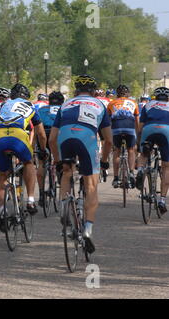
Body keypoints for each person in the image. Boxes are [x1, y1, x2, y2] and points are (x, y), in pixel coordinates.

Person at [49, 75, 113, 254]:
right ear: (93, 91)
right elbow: (108, 140)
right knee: (91, 185)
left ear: (76, 91)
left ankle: (63, 207)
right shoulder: (100, 104)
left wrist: (58, 161)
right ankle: (87, 230)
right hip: (87, 138)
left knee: (67, 172)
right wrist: (105, 161)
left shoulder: (66, 104)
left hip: (65, 137)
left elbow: (52, 139)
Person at [0, 83, 47, 233]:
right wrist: (43, 150)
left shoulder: (3, 104)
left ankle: (3, 210)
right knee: (29, 163)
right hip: (17, 135)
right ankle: (30, 200)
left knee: (3, 174)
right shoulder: (31, 106)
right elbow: (41, 134)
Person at [136, 87, 169, 214]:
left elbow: (140, 127)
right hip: (166, 131)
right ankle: (162, 200)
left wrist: (139, 143)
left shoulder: (148, 105)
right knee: (166, 167)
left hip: (149, 129)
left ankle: (140, 171)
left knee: (144, 154)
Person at [107, 85, 139, 189]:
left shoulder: (111, 103)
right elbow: (136, 120)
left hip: (116, 128)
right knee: (131, 149)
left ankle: (116, 178)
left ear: (117, 94)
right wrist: (138, 133)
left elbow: (108, 121)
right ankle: (131, 172)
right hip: (130, 127)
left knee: (117, 151)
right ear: (128, 94)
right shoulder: (133, 103)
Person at [36, 91, 64, 206]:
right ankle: (63, 190)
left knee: (42, 163)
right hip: (58, 133)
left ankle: (42, 194)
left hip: (44, 133)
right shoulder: (64, 109)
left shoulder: (42, 109)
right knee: (62, 162)